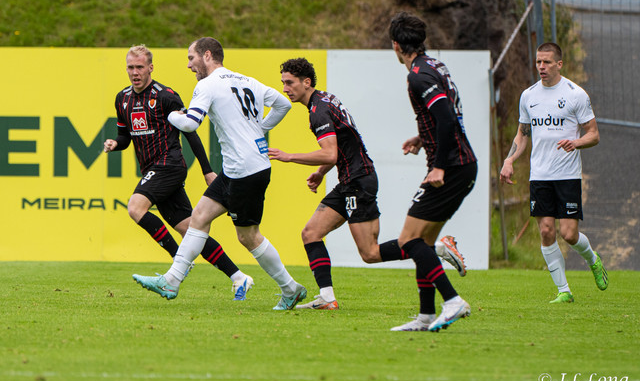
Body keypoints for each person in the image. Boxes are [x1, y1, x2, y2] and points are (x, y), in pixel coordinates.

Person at [268, 57, 467, 310]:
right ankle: (327, 298)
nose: (285, 88)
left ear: (306, 82)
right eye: (283, 83)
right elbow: (342, 147)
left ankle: (436, 248)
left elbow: (330, 153)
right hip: (352, 180)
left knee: (370, 253)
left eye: (289, 83)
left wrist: (289, 156)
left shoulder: (319, 111)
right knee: (311, 233)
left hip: (357, 182)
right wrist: (320, 172)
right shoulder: (325, 100)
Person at [132, 37, 307, 310]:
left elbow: (190, 124)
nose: (189, 65)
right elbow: (283, 104)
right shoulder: (247, 80)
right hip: (240, 168)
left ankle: (290, 288)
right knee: (199, 217)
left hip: (245, 171)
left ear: (207, 55)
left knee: (249, 236)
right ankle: (172, 280)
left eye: (191, 58)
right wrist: (259, 130)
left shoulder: (208, 85)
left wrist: (172, 116)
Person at [104, 45, 253, 301]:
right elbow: (125, 137)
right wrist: (115, 144)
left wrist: (207, 171)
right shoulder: (123, 98)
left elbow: (190, 133)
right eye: (130, 67)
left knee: (135, 207)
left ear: (150, 68)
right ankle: (239, 277)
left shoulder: (166, 96)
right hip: (152, 168)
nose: (135, 72)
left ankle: (177, 263)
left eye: (140, 67)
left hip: (169, 165)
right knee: (191, 230)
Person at [388, 12, 477, 332]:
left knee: (408, 240)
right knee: (423, 242)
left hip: (451, 167)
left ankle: (452, 300)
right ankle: (425, 315)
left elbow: (447, 119)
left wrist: (438, 165)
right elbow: (444, 114)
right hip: (461, 164)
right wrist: (422, 138)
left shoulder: (418, 76)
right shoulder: (435, 65)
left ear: (396, 45)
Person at [500, 42, 608, 303]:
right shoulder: (528, 96)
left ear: (559, 64)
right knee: (547, 231)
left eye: (547, 62)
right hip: (539, 175)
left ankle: (593, 259)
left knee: (568, 234)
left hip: (567, 175)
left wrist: (576, 142)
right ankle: (564, 291)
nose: (541, 66)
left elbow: (593, 134)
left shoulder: (575, 94)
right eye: (538, 61)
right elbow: (523, 134)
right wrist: (509, 159)